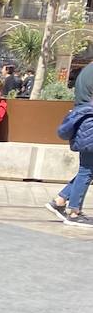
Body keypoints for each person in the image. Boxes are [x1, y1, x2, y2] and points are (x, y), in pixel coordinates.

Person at [46, 96, 93, 227]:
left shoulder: (87, 106)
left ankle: (60, 201)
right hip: (90, 142)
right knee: (86, 173)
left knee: (86, 172)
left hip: (86, 142)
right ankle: (74, 213)